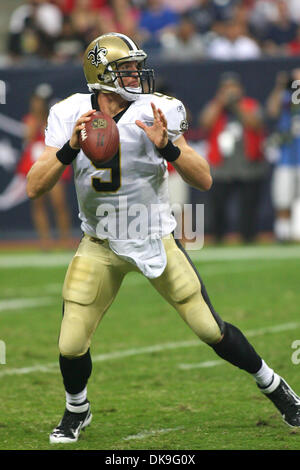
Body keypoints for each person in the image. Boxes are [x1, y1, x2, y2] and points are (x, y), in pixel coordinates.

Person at [26, 32, 300, 444]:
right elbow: (34, 186)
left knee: (210, 330)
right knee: (70, 343)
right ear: (101, 75)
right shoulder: (68, 114)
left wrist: (169, 148)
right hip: (99, 242)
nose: (136, 74)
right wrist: (69, 149)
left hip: (153, 236)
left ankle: (277, 387)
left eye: (137, 67)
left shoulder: (159, 110)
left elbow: (204, 178)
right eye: (126, 69)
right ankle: (76, 410)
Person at [199, 72, 267, 243]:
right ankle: (218, 236)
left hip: (247, 164)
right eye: (226, 88)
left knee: (248, 205)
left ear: (240, 89)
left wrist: (237, 105)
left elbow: (255, 123)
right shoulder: (215, 106)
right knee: (218, 205)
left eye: (233, 88)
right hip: (221, 165)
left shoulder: (250, 105)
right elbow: (205, 123)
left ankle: (248, 236)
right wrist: (220, 103)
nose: (230, 92)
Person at [19, 84, 72, 248]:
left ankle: (64, 238)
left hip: (52, 161)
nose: (39, 104)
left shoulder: (54, 118)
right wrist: (36, 121)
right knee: (38, 203)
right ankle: (45, 239)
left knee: (59, 202)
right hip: (34, 162)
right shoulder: (30, 119)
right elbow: (27, 139)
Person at [266, 69, 300, 241]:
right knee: (282, 199)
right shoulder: (285, 96)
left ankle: (296, 233)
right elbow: (272, 110)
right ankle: (283, 234)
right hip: (286, 157)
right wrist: (281, 86)